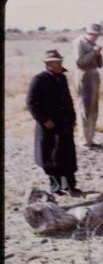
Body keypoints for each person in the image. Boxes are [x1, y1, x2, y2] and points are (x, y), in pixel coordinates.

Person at [26, 50, 80, 195]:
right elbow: (31, 103)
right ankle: (56, 187)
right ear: (48, 64)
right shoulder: (39, 79)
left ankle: (70, 186)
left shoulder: (62, 78)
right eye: (56, 62)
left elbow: (68, 100)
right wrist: (44, 120)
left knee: (67, 155)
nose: (59, 64)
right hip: (49, 125)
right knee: (51, 157)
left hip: (65, 124)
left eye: (60, 61)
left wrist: (73, 119)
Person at [72, 23, 103, 148]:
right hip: (83, 76)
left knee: (93, 109)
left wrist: (98, 54)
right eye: (93, 34)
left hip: (94, 76)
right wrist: (93, 53)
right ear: (88, 33)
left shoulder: (93, 44)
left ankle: (90, 138)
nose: (95, 37)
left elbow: (100, 64)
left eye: (97, 35)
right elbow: (79, 62)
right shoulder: (78, 42)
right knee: (84, 109)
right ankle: (83, 140)